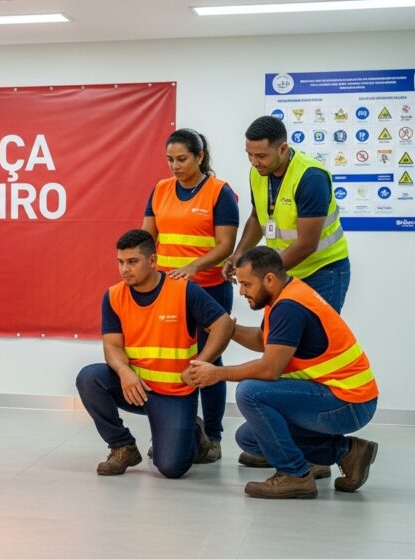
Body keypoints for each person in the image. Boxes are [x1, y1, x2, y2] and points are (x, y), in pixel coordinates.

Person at [185, 247, 378, 499]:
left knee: (250, 391)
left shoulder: (290, 306)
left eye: (245, 284)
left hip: (348, 402)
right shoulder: (283, 295)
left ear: (269, 279)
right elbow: (265, 340)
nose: (242, 291)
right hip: (341, 397)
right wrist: (228, 329)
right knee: (250, 438)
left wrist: (217, 373)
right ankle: (347, 452)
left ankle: (295, 475)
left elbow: (270, 369)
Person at [75, 229, 233, 479]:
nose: (125, 269)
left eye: (133, 262)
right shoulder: (114, 296)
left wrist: (200, 364)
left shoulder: (183, 290)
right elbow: (112, 346)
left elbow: (223, 325)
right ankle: (122, 446)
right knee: (89, 378)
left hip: (174, 392)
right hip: (136, 387)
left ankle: (194, 432)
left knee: (171, 468)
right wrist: (125, 373)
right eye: (121, 262)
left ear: (152, 261)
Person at [142, 128, 239, 462]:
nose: (175, 166)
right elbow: (147, 237)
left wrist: (195, 268)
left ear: (200, 157)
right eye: (170, 159)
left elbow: (226, 245)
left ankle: (212, 437)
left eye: (182, 159)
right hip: (168, 290)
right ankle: (176, 431)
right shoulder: (159, 190)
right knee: (172, 360)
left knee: (207, 359)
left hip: (209, 288)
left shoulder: (219, 192)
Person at [224, 116, 350, 312]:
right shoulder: (258, 172)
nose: (254, 162)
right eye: (249, 155)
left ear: (283, 148)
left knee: (316, 337)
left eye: (261, 156)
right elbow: (257, 218)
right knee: (280, 335)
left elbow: (307, 244)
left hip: (322, 270)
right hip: (283, 269)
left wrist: (263, 275)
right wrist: (238, 255)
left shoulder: (311, 177)